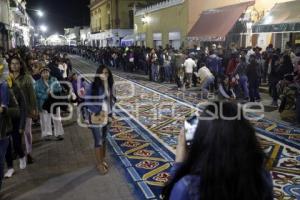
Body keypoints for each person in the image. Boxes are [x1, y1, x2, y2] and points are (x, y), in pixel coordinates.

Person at [162, 102, 273, 200]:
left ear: (202, 140)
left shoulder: (188, 187)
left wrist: (179, 162)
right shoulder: (262, 175)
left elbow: (170, 194)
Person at [85, 65, 116, 174]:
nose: (104, 75)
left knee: (104, 139)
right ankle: (99, 164)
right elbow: (87, 102)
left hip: (107, 115)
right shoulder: (92, 86)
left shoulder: (111, 86)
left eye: (107, 73)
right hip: (97, 116)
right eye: (102, 73)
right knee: (98, 141)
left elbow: (112, 100)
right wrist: (95, 111)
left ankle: (102, 160)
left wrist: (111, 114)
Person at [9, 56, 38, 164]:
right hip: (13, 111)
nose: (14, 65)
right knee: (14, 133)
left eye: (17, 63)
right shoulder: (8, 78)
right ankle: (17, 151)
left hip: (26, 110)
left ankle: (29, 153)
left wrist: (34, 109)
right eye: (12, 63)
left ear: (21, 65)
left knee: (26, 132)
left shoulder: (26, 78)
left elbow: (32, 95)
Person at [35, 67, 64, 141]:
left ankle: (59, 133)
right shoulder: (38, 82)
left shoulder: (54, 79)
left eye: (46, 72)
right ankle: (46, 134)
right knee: (45, 119)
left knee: (57, 118)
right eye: (43, 72)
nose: (45, 74)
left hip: (54, 102)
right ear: (41, 74)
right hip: (44, 103)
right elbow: (37, 93)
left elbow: (59, 88)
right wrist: (46, 94)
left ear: (49, 72)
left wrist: (52, 91)